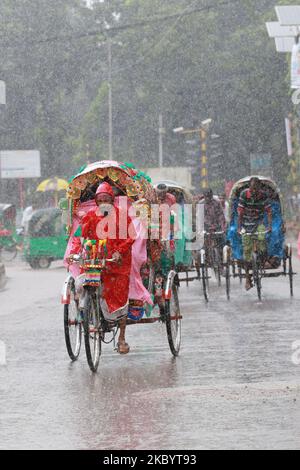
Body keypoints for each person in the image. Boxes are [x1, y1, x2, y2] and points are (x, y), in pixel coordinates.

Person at [68, 182, 136, 354]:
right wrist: (75, 252)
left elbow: (131, 237)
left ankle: (121, 338)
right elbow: (79, 237)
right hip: (96, 261)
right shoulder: (90, 216)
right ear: (97, 201)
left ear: (112, 200)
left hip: (117, 264)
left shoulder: (122, 216)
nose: (104, 202)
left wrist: (119, 251)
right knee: (85, 285)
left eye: (107, 199)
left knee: (120, 297)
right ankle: (89, 312)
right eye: (100, 199)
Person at [237, 177, 272, 291]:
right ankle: (248, 278)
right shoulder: (243, 195)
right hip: (246, 224)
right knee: (247, 253)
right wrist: (239, 227)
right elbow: (240, 212)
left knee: (262, 245)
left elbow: (268, 211)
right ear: (249, 188)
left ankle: (262, 261)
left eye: (256, 189)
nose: (254, 192)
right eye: (252, 189)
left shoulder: (263, 195)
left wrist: (269, 226)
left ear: (259, 188)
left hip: (259, 223)